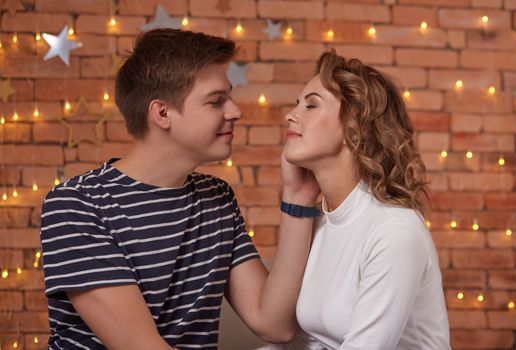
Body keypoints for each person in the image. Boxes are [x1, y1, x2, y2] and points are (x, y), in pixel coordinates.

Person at [40, 29, 320, 350]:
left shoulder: (216, 198)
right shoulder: (76, 205)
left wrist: (299, 197)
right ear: (162, 114)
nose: (235, 112)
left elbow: (274, 325)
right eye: (216, 101)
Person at [265, 50, 451, 349]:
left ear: (355, 126)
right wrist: (295, 195)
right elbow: (293, 336)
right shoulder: (322, 221)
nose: (292, 114)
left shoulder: (394, 232)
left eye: (311, 105)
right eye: (298, 103)